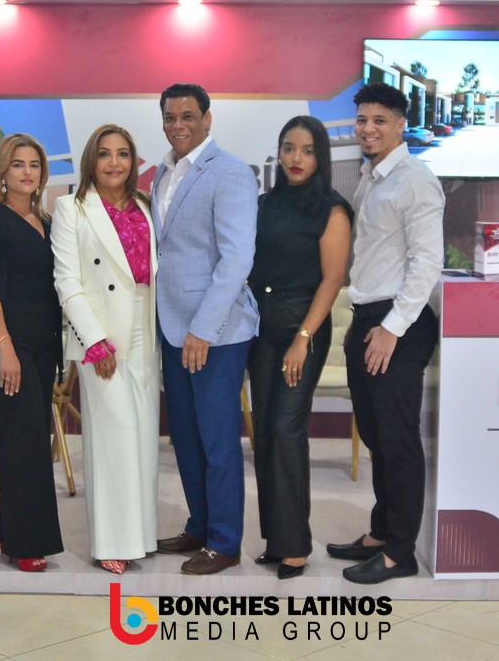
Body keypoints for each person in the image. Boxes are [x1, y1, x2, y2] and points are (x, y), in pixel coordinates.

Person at [327, 82, 444, 585]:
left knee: (398, 441)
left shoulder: (415, 180)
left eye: (379, 120)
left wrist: (391, 328)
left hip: (399, 325)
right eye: (362, 120)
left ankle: (400, 553)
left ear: (400, 125)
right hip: (368, 319)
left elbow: (427, 262)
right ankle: (382, 531)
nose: (368, 129)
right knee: (376, 435)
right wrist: (363, 325)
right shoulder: (371, 177)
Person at [152, 82, 259, 576]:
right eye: (170, 117)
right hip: (172, 327)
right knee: (187, 437)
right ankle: (199, 525)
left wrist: (203, 329)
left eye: (188, 116)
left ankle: (225, 541)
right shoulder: (163, 171)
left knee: (217, 440)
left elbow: (236, 259)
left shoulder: (231, 172)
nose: (179, 125)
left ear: (208, 119)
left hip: (215, 333)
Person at [247, 116, 352, 581]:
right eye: (289, 148)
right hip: (261, 326)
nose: (296, 158)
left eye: (307, 150)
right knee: (265, 432)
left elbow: (332, 279)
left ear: (320, 156)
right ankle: (276, 541)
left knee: (287, 430)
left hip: (302, 328)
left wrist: (303, 339)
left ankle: (295, 548)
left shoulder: (332, 209)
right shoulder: (263, 204)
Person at [52, 124, 159, 576]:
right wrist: (95, 340)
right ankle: (111, 542)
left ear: (133, 161)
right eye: (104, 154)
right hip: (101, 333)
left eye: (123, 154)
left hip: (144, 325)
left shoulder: (144, 205)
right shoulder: (71, 208)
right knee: (114, 434)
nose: (114, 162)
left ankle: (140, 535)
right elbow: (66, 280)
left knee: (143, 435)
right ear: (90, 162)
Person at [0, 133, 64, 572]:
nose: (28, 172)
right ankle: (25, 545)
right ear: (3, 172)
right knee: (22, 443)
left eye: (35, 164)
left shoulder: (46, 221)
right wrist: (6, 349)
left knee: (32, 440)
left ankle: (11, 531)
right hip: (9, 344)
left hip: (43, 346)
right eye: (19, 164)